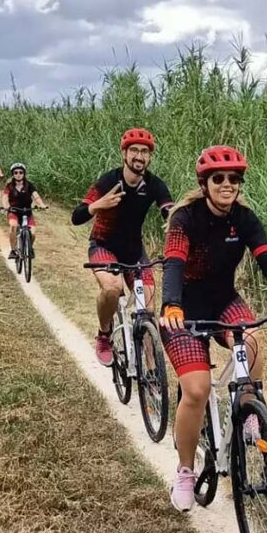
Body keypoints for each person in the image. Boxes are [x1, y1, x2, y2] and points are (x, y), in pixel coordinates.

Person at [158, 145, 267, 513]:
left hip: (224, 300)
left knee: (254, 342)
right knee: (195, 389)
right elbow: (174, 263)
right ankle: (184, 471)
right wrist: (171, 304)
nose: (227, 184)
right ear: (205, 182)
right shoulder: (185, 218)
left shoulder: (243, 218)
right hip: (184, 310)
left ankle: (246, 415)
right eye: (219, 178)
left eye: (234, 178)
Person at [71, 128, 173, 366]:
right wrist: (97, 205)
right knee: (112, 288)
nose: (139, 156)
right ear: (125, 154)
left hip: (134, 251)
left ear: (149, 157)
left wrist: (172, 220)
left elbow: (168, 209)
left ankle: (152, 374)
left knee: (147, 310)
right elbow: (76, 217)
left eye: (145, 152)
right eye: (134, 150)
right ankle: (104, 334)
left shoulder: (155, 184)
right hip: (103, 246)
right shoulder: (108, 181)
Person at [1, 162, 48, 258]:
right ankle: (13, 250)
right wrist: (6, 206)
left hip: (27, 212)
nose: (18, 175)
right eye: (16, 173)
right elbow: (5, 197)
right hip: (14, 211)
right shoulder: (9, 186)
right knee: (13, 226)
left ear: (24, 173)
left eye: (21, 172)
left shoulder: (29, 185)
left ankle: (29, 248)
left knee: (33, 234)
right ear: (13, 174)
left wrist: (41, 204)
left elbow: (36, 196)